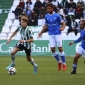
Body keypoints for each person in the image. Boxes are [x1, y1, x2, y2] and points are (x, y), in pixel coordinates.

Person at [38, 3, 66, 71]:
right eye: (47, 8)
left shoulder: (57, 15)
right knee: (52, 49)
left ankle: (64, 64)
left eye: (49, 8)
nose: (48, 10)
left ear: (52, 8)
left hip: (57, 34)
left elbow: (63, 23)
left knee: (60, 48)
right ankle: (59, 62)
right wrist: (41, 32)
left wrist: (62, 28)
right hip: (51, 34)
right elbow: (45, 26)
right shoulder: (46, 16)